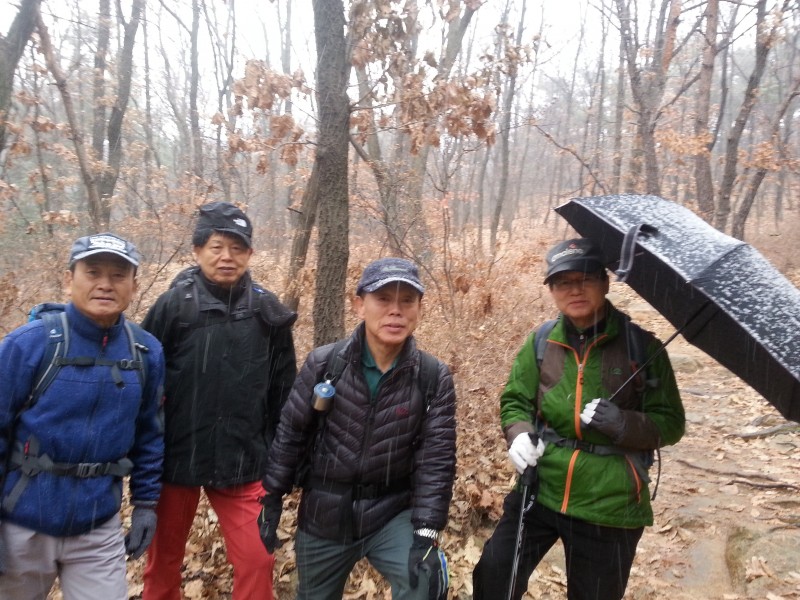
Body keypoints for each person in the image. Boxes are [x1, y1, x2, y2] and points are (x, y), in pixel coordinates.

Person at [473, 238, 686, 600]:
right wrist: (519, 433)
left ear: (605, 282)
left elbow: (671, 423)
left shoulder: (642, 348)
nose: (575, 290)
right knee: (494, 575)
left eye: (585, 278)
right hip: (541, 488)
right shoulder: (541, 342)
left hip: (610, 503)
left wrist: (624, 424)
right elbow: (515, 399)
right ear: (552, 290)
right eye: (563, 282)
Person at [259, 257, 457, 600]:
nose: (395, 311)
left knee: (423, 584)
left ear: (419, 309)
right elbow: (292, 433)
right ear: (359, 305)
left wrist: (427, 530)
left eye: (407, 301)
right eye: (383, 299)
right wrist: (272, 497)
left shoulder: (431, 376)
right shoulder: (325, 364)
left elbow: (436, 459)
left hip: (392, 510)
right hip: (325, 512)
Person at [140, 201, 297, 600]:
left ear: (250, 253)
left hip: (244, 458)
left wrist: (279, 455)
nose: (227, 256)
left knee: (258, 558)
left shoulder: (267, 311)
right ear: (197, 250)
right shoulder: (173, 307)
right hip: (176, 458)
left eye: (237, 247)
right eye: (216, 246)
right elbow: (143, 381)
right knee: (163, 563)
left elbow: (283, 391)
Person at [0, 233, 165, 599]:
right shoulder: (27, 344)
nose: (105, 284)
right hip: (21, 524)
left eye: (118, 275)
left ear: (134, 286)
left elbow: (150, 434)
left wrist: (145, 504)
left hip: (97, 525)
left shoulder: (145, 352)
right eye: (93, 273)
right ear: (68, 279)